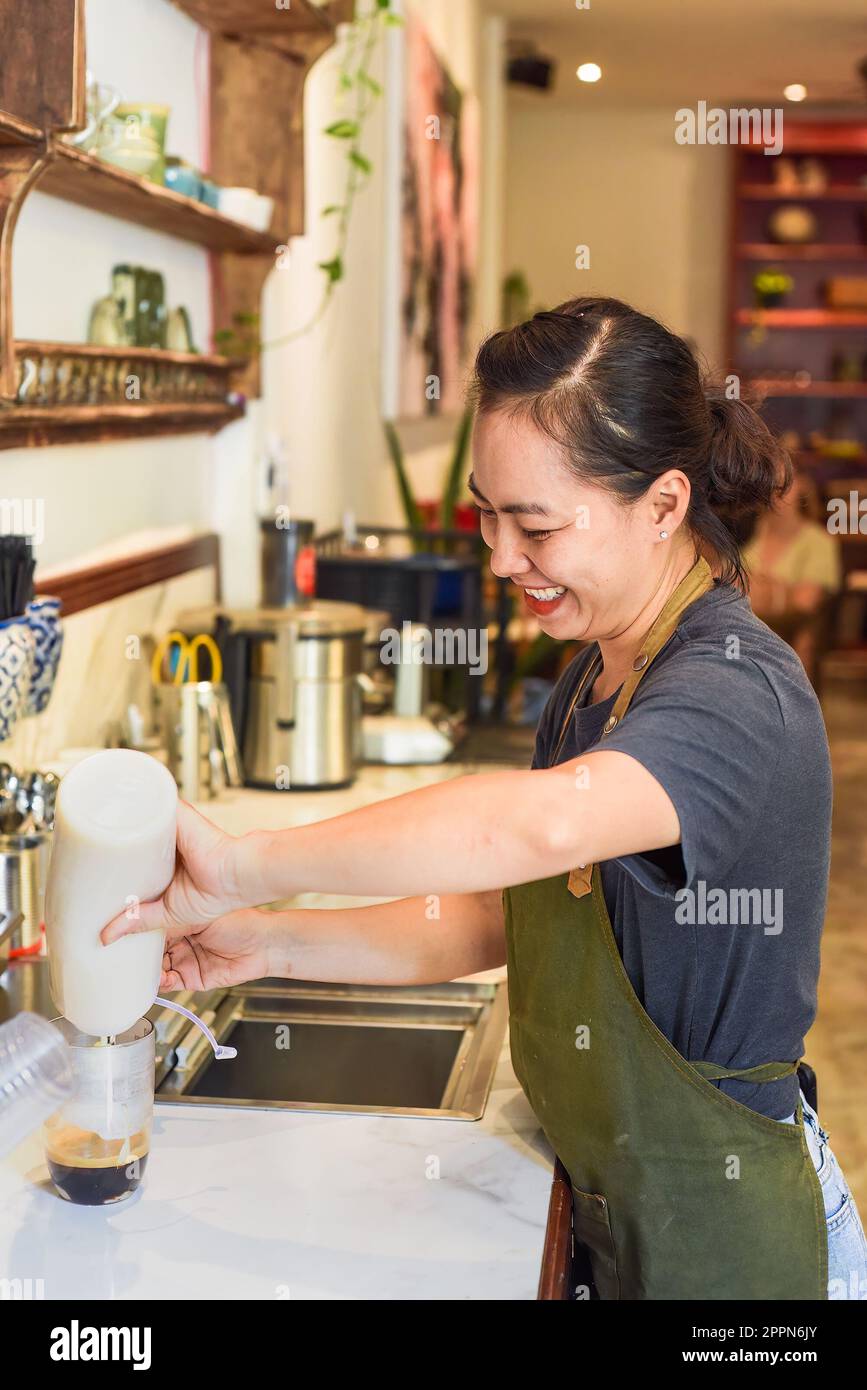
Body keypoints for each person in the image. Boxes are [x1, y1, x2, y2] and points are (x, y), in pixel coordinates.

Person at [104, 297, 866, 1302]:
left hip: (734, 1249)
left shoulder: (732, 690)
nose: (502, 558)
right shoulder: (597, 677)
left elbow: (530, 823)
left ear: (665, 504)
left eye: (536, 525)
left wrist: (243, 862)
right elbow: (501, 910)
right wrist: (267, 939)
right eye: (487, 515)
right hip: (629, 1212)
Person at [742, 468, 842, 687]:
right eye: (769, 484)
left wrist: (759, 590)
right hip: (739, 637)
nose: (775, 492)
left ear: (802, 485)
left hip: (787, 645)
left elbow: (805, 601)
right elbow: (720, 583)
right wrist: (778, 592)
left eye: (784, 484)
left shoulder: (819, 542)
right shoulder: (744, 534)